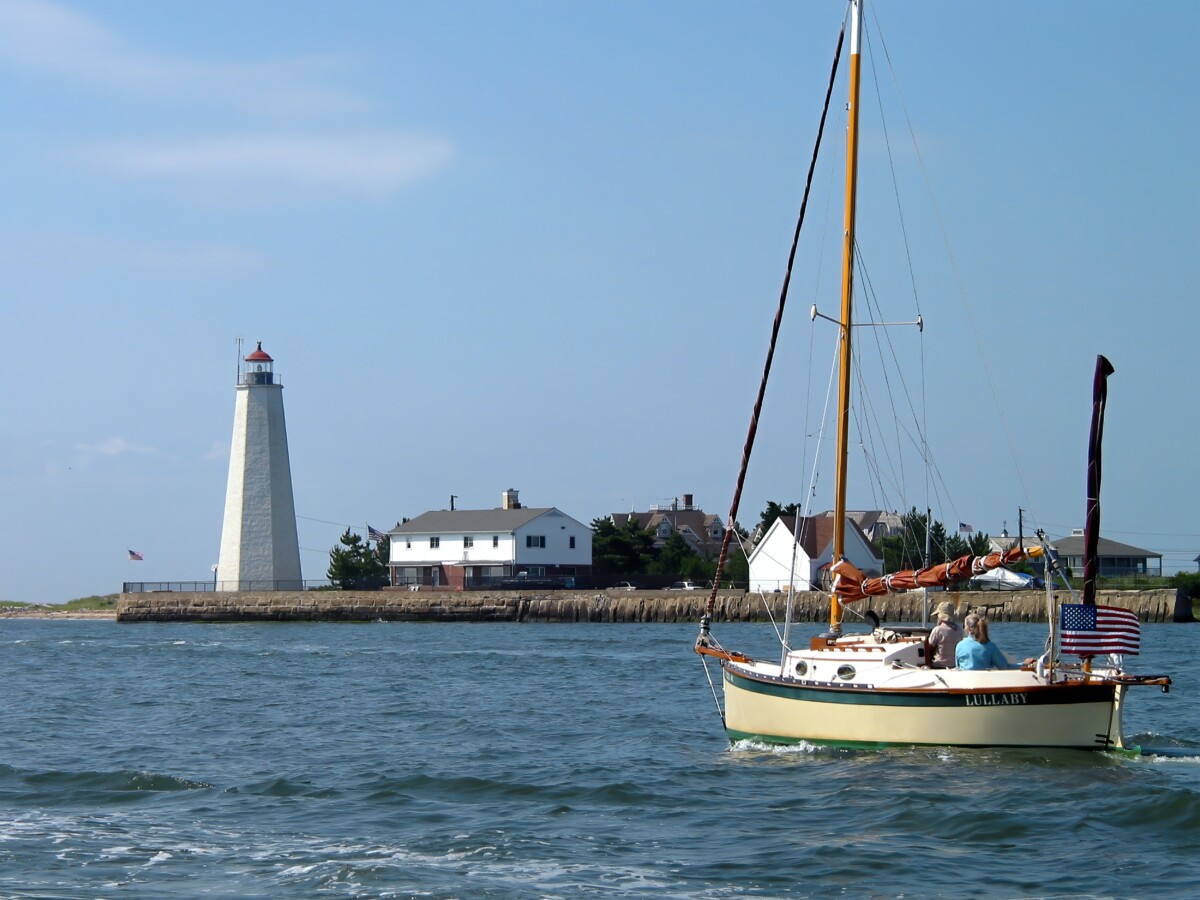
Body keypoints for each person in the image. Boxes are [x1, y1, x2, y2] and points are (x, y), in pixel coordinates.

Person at [926, 600, 962, 668]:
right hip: (954, 666)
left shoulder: (937, 630)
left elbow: (929, 650)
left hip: (938, 665)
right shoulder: (959, 630)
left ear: (940, 617)